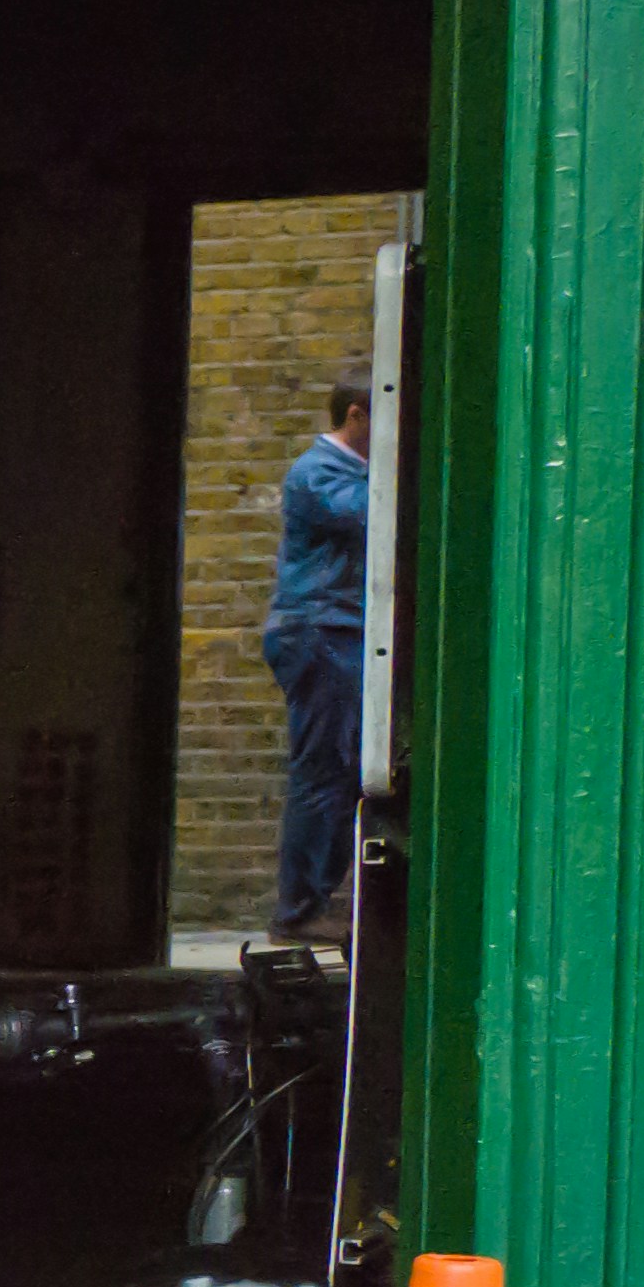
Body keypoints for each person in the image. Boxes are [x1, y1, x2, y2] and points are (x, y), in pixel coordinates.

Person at [262, 382, 372, 942]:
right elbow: (374, 515)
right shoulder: (319, 472)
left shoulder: (346, 471)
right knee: (324, 770)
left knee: (347, 768)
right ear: (356, 415)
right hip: (319, 632)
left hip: (340, 631)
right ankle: (300, 911)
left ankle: (312, 902)